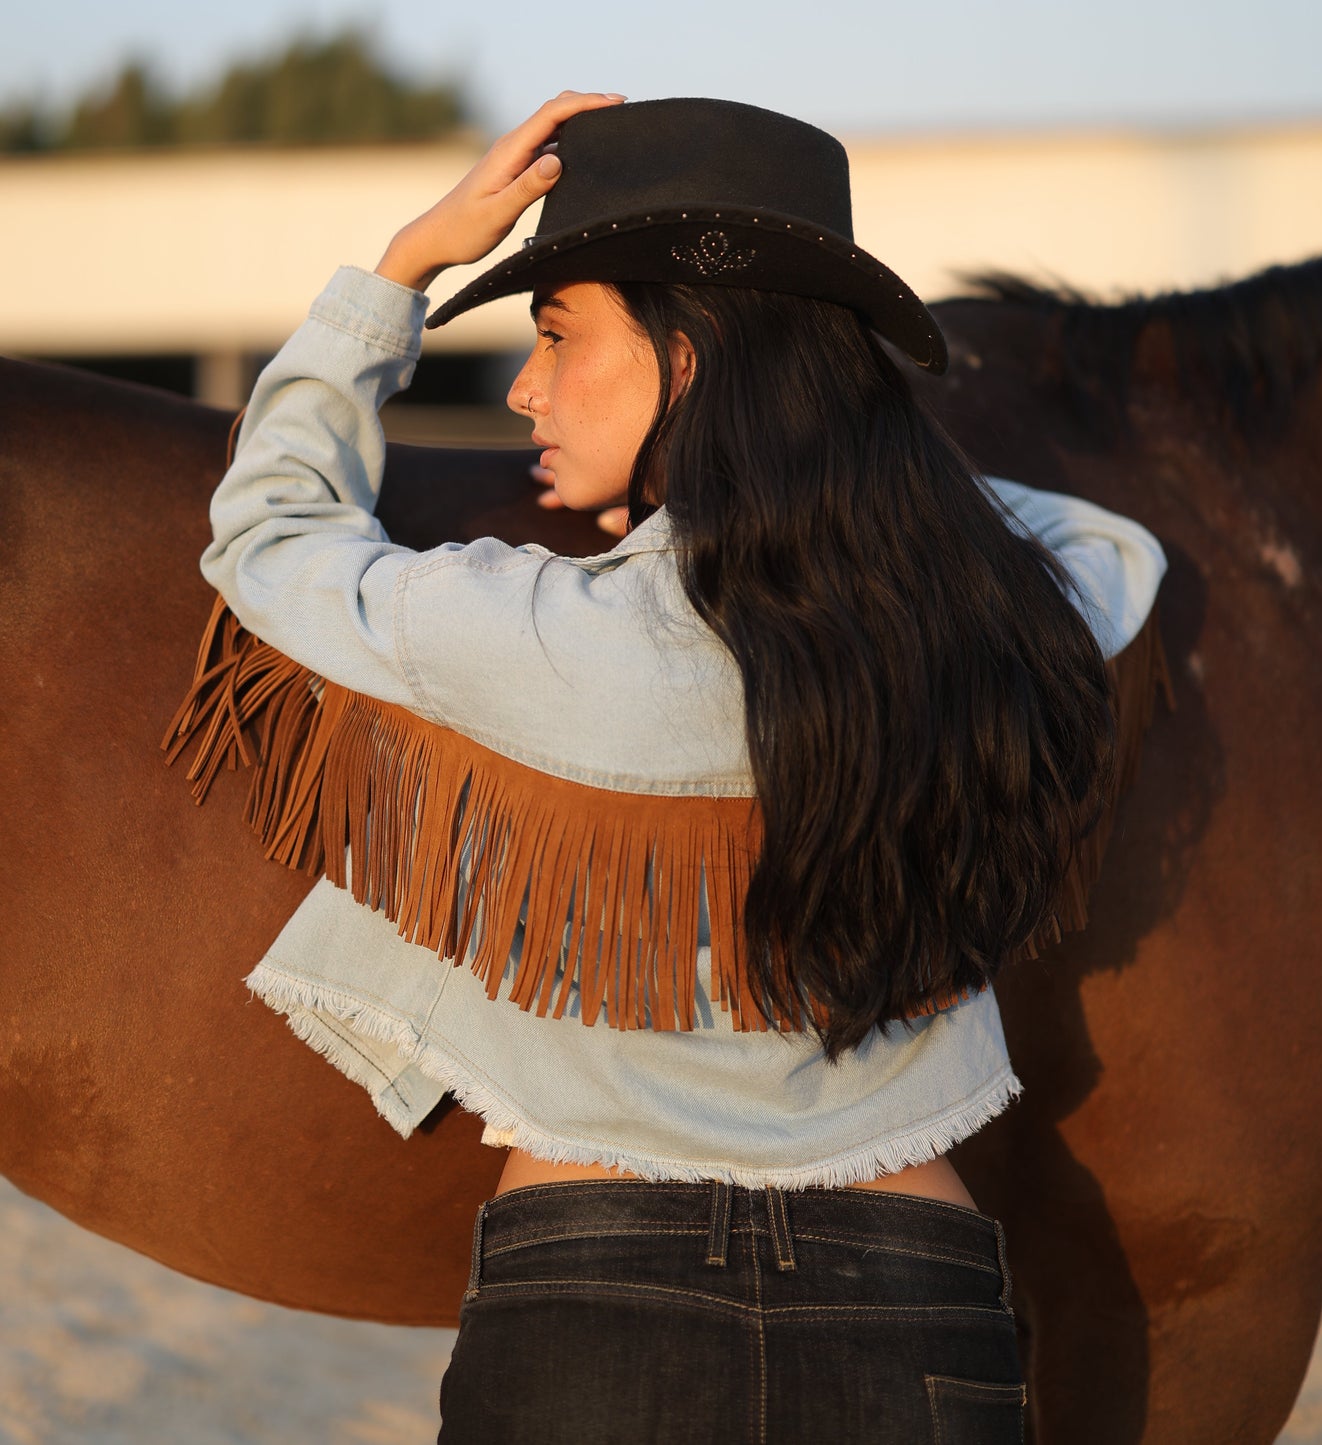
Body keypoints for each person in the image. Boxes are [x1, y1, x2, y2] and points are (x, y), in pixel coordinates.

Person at [199, 91, 1166, 1442]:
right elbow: (1111, 545)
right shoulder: (1006, 621)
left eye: (555, 334)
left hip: (593, 1305)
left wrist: (405, 268)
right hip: (916, 1299)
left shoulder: (533, 628)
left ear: (691, 357)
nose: (524, 387)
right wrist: (834, 475)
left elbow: (265, 533)